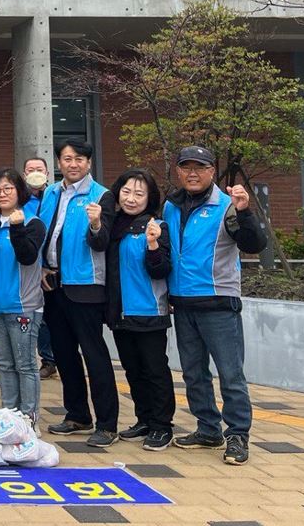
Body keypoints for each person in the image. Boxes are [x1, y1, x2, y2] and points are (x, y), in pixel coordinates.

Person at [164, 146, 267, 466]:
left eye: (201, 167)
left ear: (212, 171)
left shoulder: (227, 206)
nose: (192, 173)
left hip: (219, 302)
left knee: (230, 373)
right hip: (182, 303)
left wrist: (246, 211)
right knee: (194, 373)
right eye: (186, 167)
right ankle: (208, 428)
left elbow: (254, 244)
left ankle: (237, 434)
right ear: (178, 171)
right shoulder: (169, 206)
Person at [38, 138, 118, 447]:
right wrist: (44, 266)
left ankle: (107, 424)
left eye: (79, 159)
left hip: (85, 286)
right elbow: (46, 233)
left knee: (94, 355)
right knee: (64, 354)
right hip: (54, 285)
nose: (73, 164)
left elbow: (102, 243)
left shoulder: (102, 196)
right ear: (59, 162)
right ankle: (77, 415)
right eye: (67, 159)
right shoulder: (51, 192)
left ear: (89, 163)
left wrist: (96, 224)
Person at [89, 169, 175, 452]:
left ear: (149, 198)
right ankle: (145, 419)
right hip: (120, 313)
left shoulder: (156, 225)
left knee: (155, 370)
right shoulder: (114, 225)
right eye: (126, 191)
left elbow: (161, 269)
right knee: (133, 370)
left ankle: (162, 426)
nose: (131, 198)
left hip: (149, 311)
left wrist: (152, 245)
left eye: (139, 193)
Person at [0, 168, 47, 423]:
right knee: (4, 364)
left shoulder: (33, 223)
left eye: (8, 188)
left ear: (20, 191)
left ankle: (28, 419)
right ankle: (9, 415)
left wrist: (17, 228)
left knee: (25, 365)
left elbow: (27, 256)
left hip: (23, 306)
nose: (2, 193)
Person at [23, 156, 57, 380]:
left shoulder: (56, 196)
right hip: (27, 266)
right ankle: (41, 359)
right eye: (30, 169)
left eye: (39, 169)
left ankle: (53, 359)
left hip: (51, 268)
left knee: (52, 316)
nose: (35, 173)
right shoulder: (20, 200)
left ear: (47, 173)